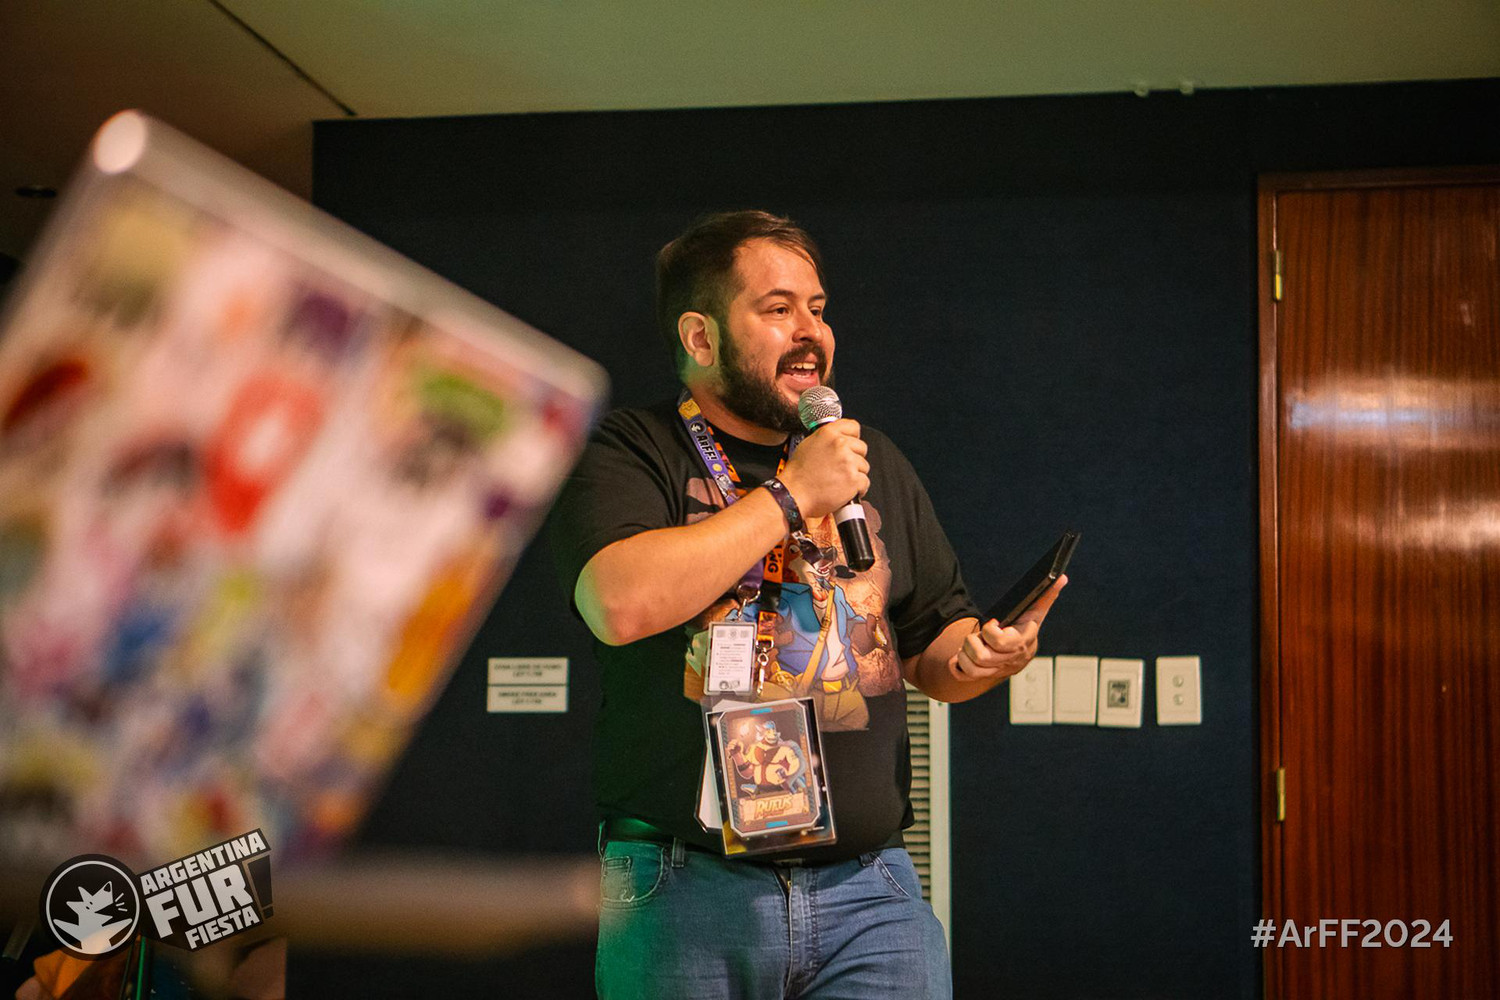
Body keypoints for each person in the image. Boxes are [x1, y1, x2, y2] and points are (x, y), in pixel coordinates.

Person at [549, 210, 1066, 999]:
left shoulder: (867, 460)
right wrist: (793, 496)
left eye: (818, 310)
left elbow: (934, 646)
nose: (810, 332)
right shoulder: (632, 449)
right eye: (778, 308)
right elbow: (618, 604)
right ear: (700, 337)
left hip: (869, 892)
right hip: (684, 890)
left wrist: (982, 658)